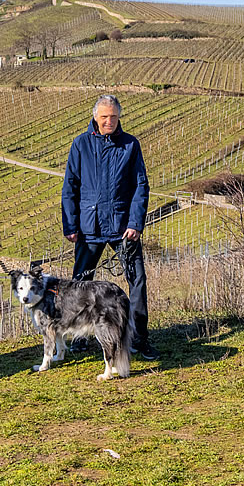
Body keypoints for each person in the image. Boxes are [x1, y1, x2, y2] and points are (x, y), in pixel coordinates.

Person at [61, 94, 158, 360]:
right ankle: (80, 338)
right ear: (95, 117)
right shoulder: (80, 145)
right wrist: (70, 224)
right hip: (88, 228)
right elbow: (70, 186)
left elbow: (141, 186)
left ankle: (139, 339)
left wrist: (136, 223)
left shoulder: (130, 145)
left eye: (113, 117)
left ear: (119, 117)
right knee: (80, 285)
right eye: (104, 117)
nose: (109, 122)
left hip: (122, 226)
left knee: (137, 280)